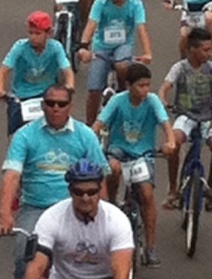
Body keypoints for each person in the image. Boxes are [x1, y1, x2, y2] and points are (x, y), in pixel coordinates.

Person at [0, 85, 109, 279]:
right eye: (51, 103)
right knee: (24, 255)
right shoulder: (24, 135)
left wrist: (104, 215)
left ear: (70, 107)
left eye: (61, 104)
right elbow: (12, 175)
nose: (56, 108)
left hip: (76, 208)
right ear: (42, 106)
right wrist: (5, 215)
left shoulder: (86, 135)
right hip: (35, 208)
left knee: (92, 259)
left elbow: (100, 178)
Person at [92, 64, 175, 268]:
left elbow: (165, 124)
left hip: (143, 154)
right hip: (119, 150)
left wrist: (170, 141)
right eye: (140, 86)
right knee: (113, 169)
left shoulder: (153, 101)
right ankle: (111, 204)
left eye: (147, 85)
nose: (145, 90)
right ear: (128, 86)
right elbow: (98, 125)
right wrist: (90, 142)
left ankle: (151, 247)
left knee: (146, 194)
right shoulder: (117, 102)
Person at [24, 159, 134, 279]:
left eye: (91, 192)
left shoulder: (117, 221)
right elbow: (35, 267)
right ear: (70, 192)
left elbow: (121, 270)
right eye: (79, 192)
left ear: (99, 192)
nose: (85, 198)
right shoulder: (51, 217)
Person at [158, 27, 212, 212]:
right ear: (192, 49)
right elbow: (165, 87)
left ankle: (210, 186)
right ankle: (173, 188)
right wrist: (163, 98)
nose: (209, 54)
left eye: (210, 49)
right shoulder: (180, 67)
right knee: (174, 144)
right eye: (205, 50)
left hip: (206, 118)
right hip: (185, 116)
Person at [79, 0, 152, 125]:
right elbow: (91, 25)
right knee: (93, 89)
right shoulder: (100, 3)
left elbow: (141, 28)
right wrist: (84, 46)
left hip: (123, 46)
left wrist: (147, 53)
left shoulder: (135, 4)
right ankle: (89, 127)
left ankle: (122, 94)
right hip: (102, 47)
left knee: (121, 66)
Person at [0, 11, 75, 136]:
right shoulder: (20, 47)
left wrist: (69, 85)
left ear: (49, 34)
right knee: (15, 132)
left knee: (57, 124)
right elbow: (3, 71)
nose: (33, 37)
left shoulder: (56, 47)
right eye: (31, 33)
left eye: (38, 33)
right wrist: (0, 89)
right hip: (20, 96)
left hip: (46, 95)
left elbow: (67, 70)